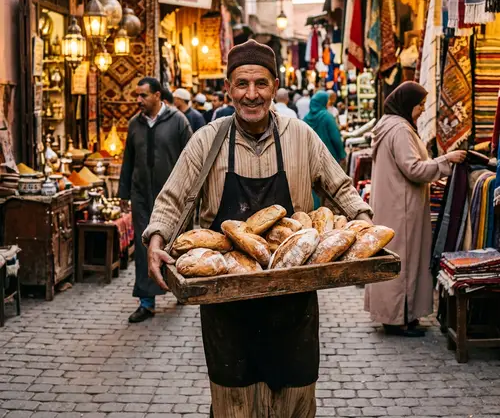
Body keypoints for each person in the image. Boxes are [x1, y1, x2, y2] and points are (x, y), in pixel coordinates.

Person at [144, 39, 372, 417]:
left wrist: (362, 220)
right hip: (227, 305)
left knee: (295, 402)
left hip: (293, 301)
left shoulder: (300, 136)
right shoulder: (207, 141)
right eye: (242, 84)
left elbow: (340, 187)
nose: (252, 94)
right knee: (233, 404)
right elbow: (173, 198)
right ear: (229, 88)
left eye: (261, 83)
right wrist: (156, 239)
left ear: (276, 86)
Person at [364, 81, 467, 337]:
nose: (422, 110)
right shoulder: (399, 129)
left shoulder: (390, 125)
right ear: (408, 104)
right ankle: (397, 319)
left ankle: (400, 315)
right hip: (402, 208)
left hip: (397, 205)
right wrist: (445, 160)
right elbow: (413, 168)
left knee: (397, 260)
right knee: (404, 261)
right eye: (420, 105)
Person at [118, 77, 192, 323]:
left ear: (158, 95)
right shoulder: (134, 125)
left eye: (143, 95)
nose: (138, 100)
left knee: (175, 245)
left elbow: (192, 158)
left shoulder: (178, 121)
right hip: (141, 196)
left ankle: (181, 289)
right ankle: (146, 302)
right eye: (137, 96)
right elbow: (128, 160)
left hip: (172, 198)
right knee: (144, 248)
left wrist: (192, 194)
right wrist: (123, 194)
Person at [304, 91, 346, 209]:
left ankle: (317, 210)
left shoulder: (306, 118)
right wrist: (342, 154)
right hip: (329, 157)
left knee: (315, 188)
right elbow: (335, 137)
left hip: (311, 158)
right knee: (331, 189)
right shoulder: (327, 116)